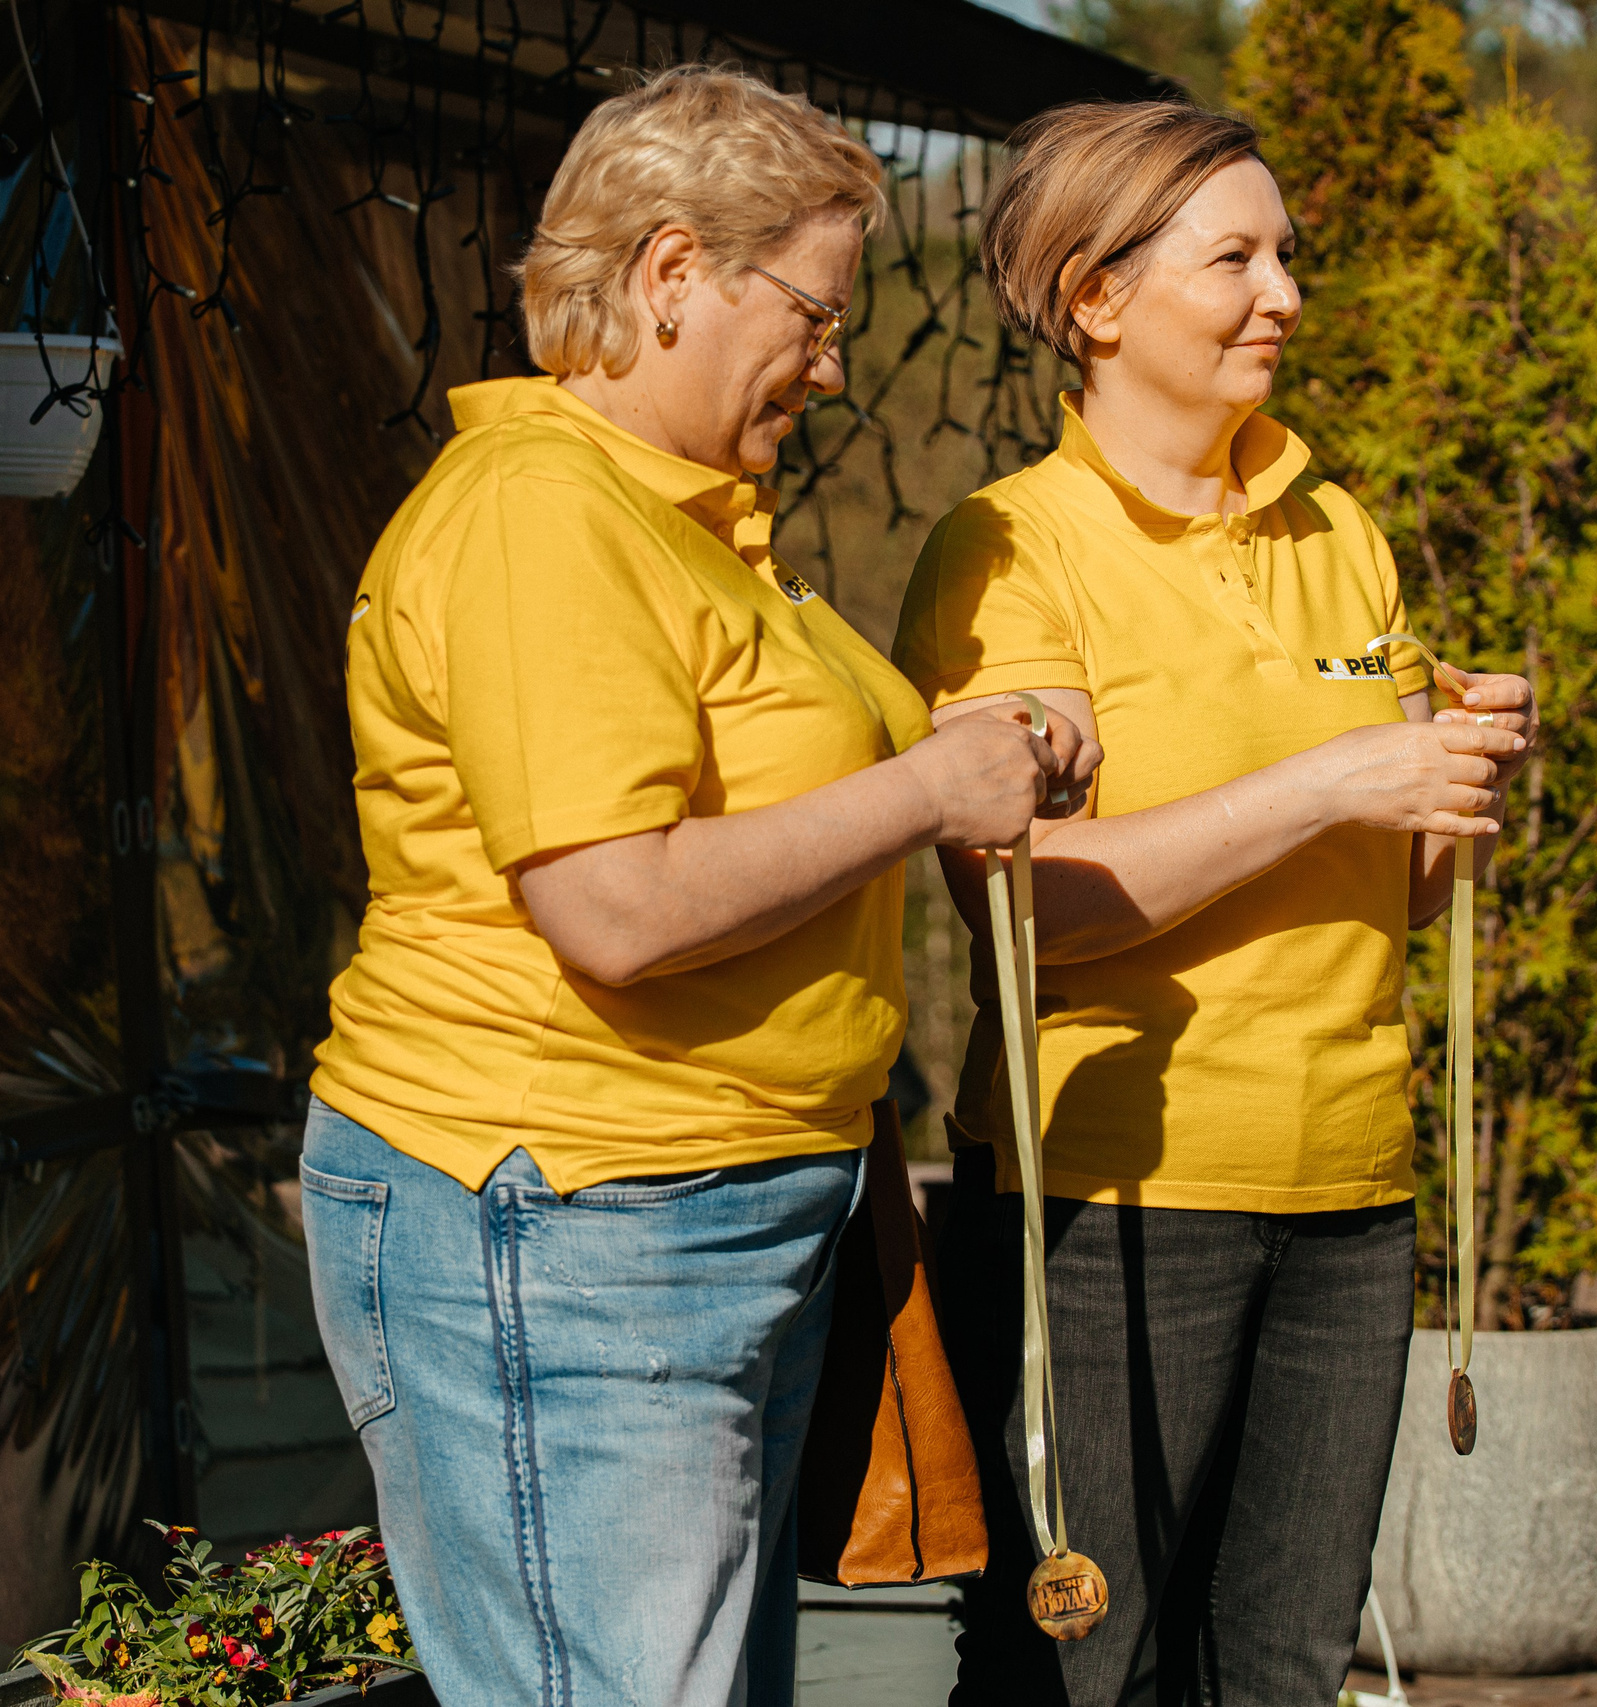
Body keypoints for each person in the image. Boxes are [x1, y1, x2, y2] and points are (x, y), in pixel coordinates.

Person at [300, 65, 1083, 1707]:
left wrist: (970, 746)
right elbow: (619, 910)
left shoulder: (689, 523)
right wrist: (931, 785)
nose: (837, 357)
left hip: (694, 1212)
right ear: (671, 276)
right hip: (568, 1211)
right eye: (814, 309)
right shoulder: (540, 516)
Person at [891, 102, 1540, 1707]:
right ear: (1095, 297)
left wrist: (1452, 779)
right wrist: (1334, 782)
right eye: (1234, 257)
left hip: (1352, 1194)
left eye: (1287, 255)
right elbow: (1036, 911)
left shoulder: (1342, 530)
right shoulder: (1007, 551)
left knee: (1284, 1669)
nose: (1284, 295)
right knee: (1081, 1667)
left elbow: (1400, 880)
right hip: (1113, 1205)